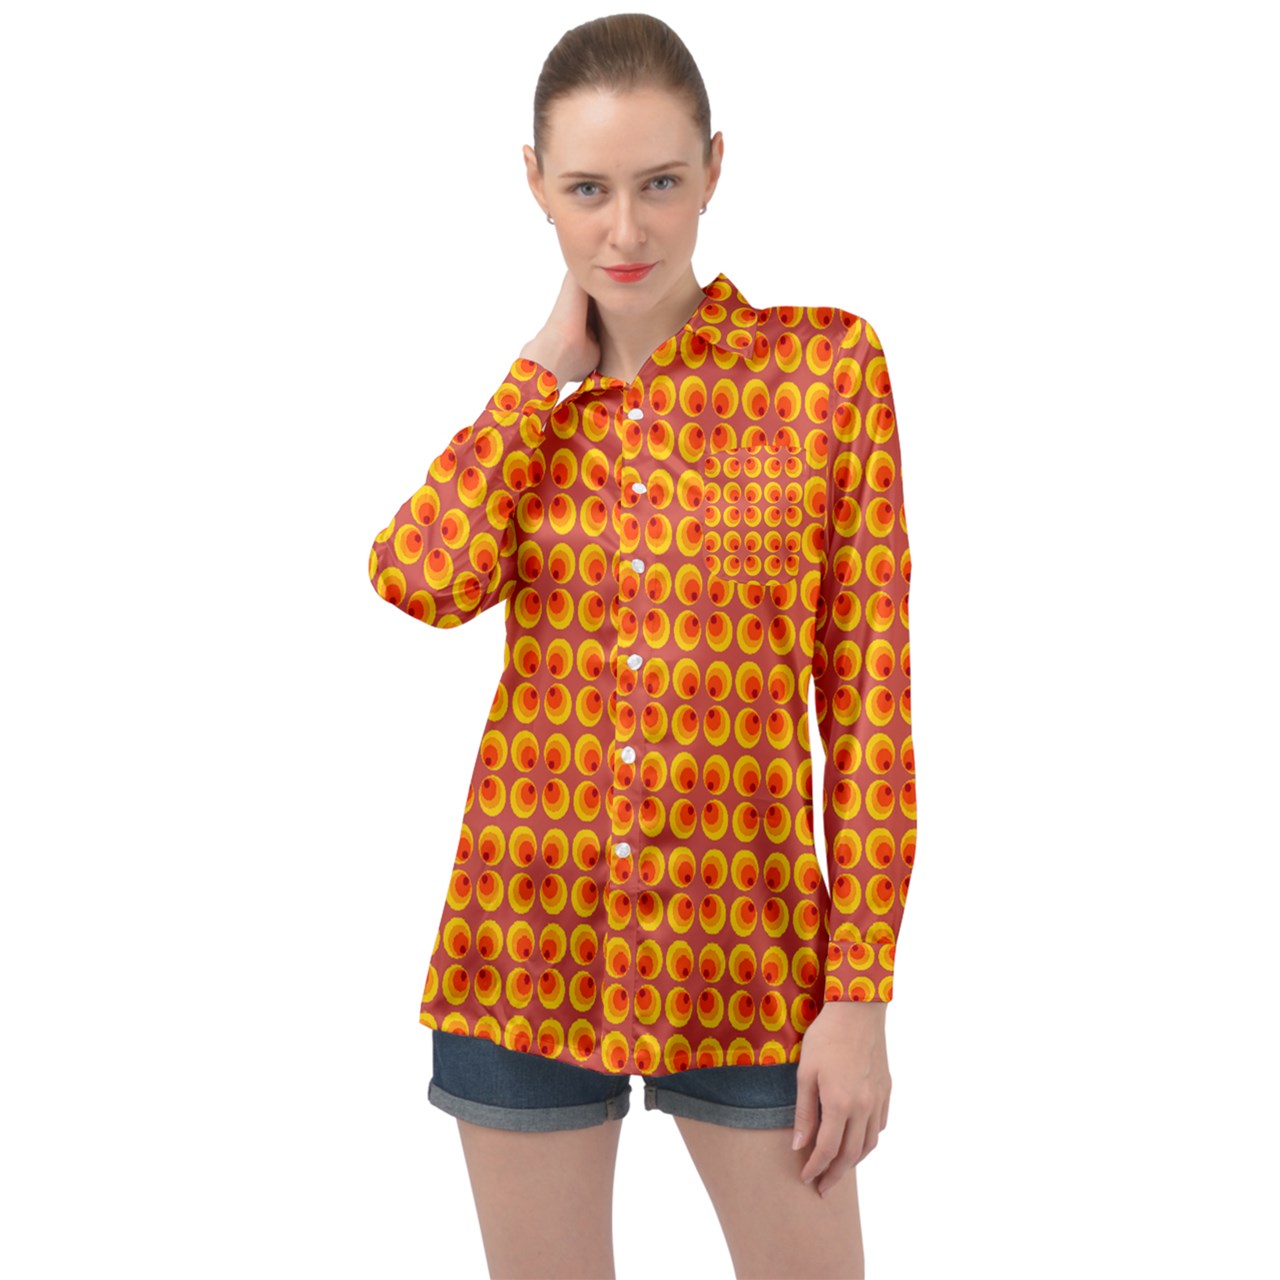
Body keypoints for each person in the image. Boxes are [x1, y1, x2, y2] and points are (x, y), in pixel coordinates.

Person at [368, 14, 912, 1279]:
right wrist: (537, 372)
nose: (625, 229)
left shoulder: (823, 371)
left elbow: (870, 703)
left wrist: (859, 990)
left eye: (659, 182)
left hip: (750, 954)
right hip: (524, 941)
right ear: (534, 185)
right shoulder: (540, 418)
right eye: (587, 190)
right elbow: (418, 577)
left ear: (714, 167)